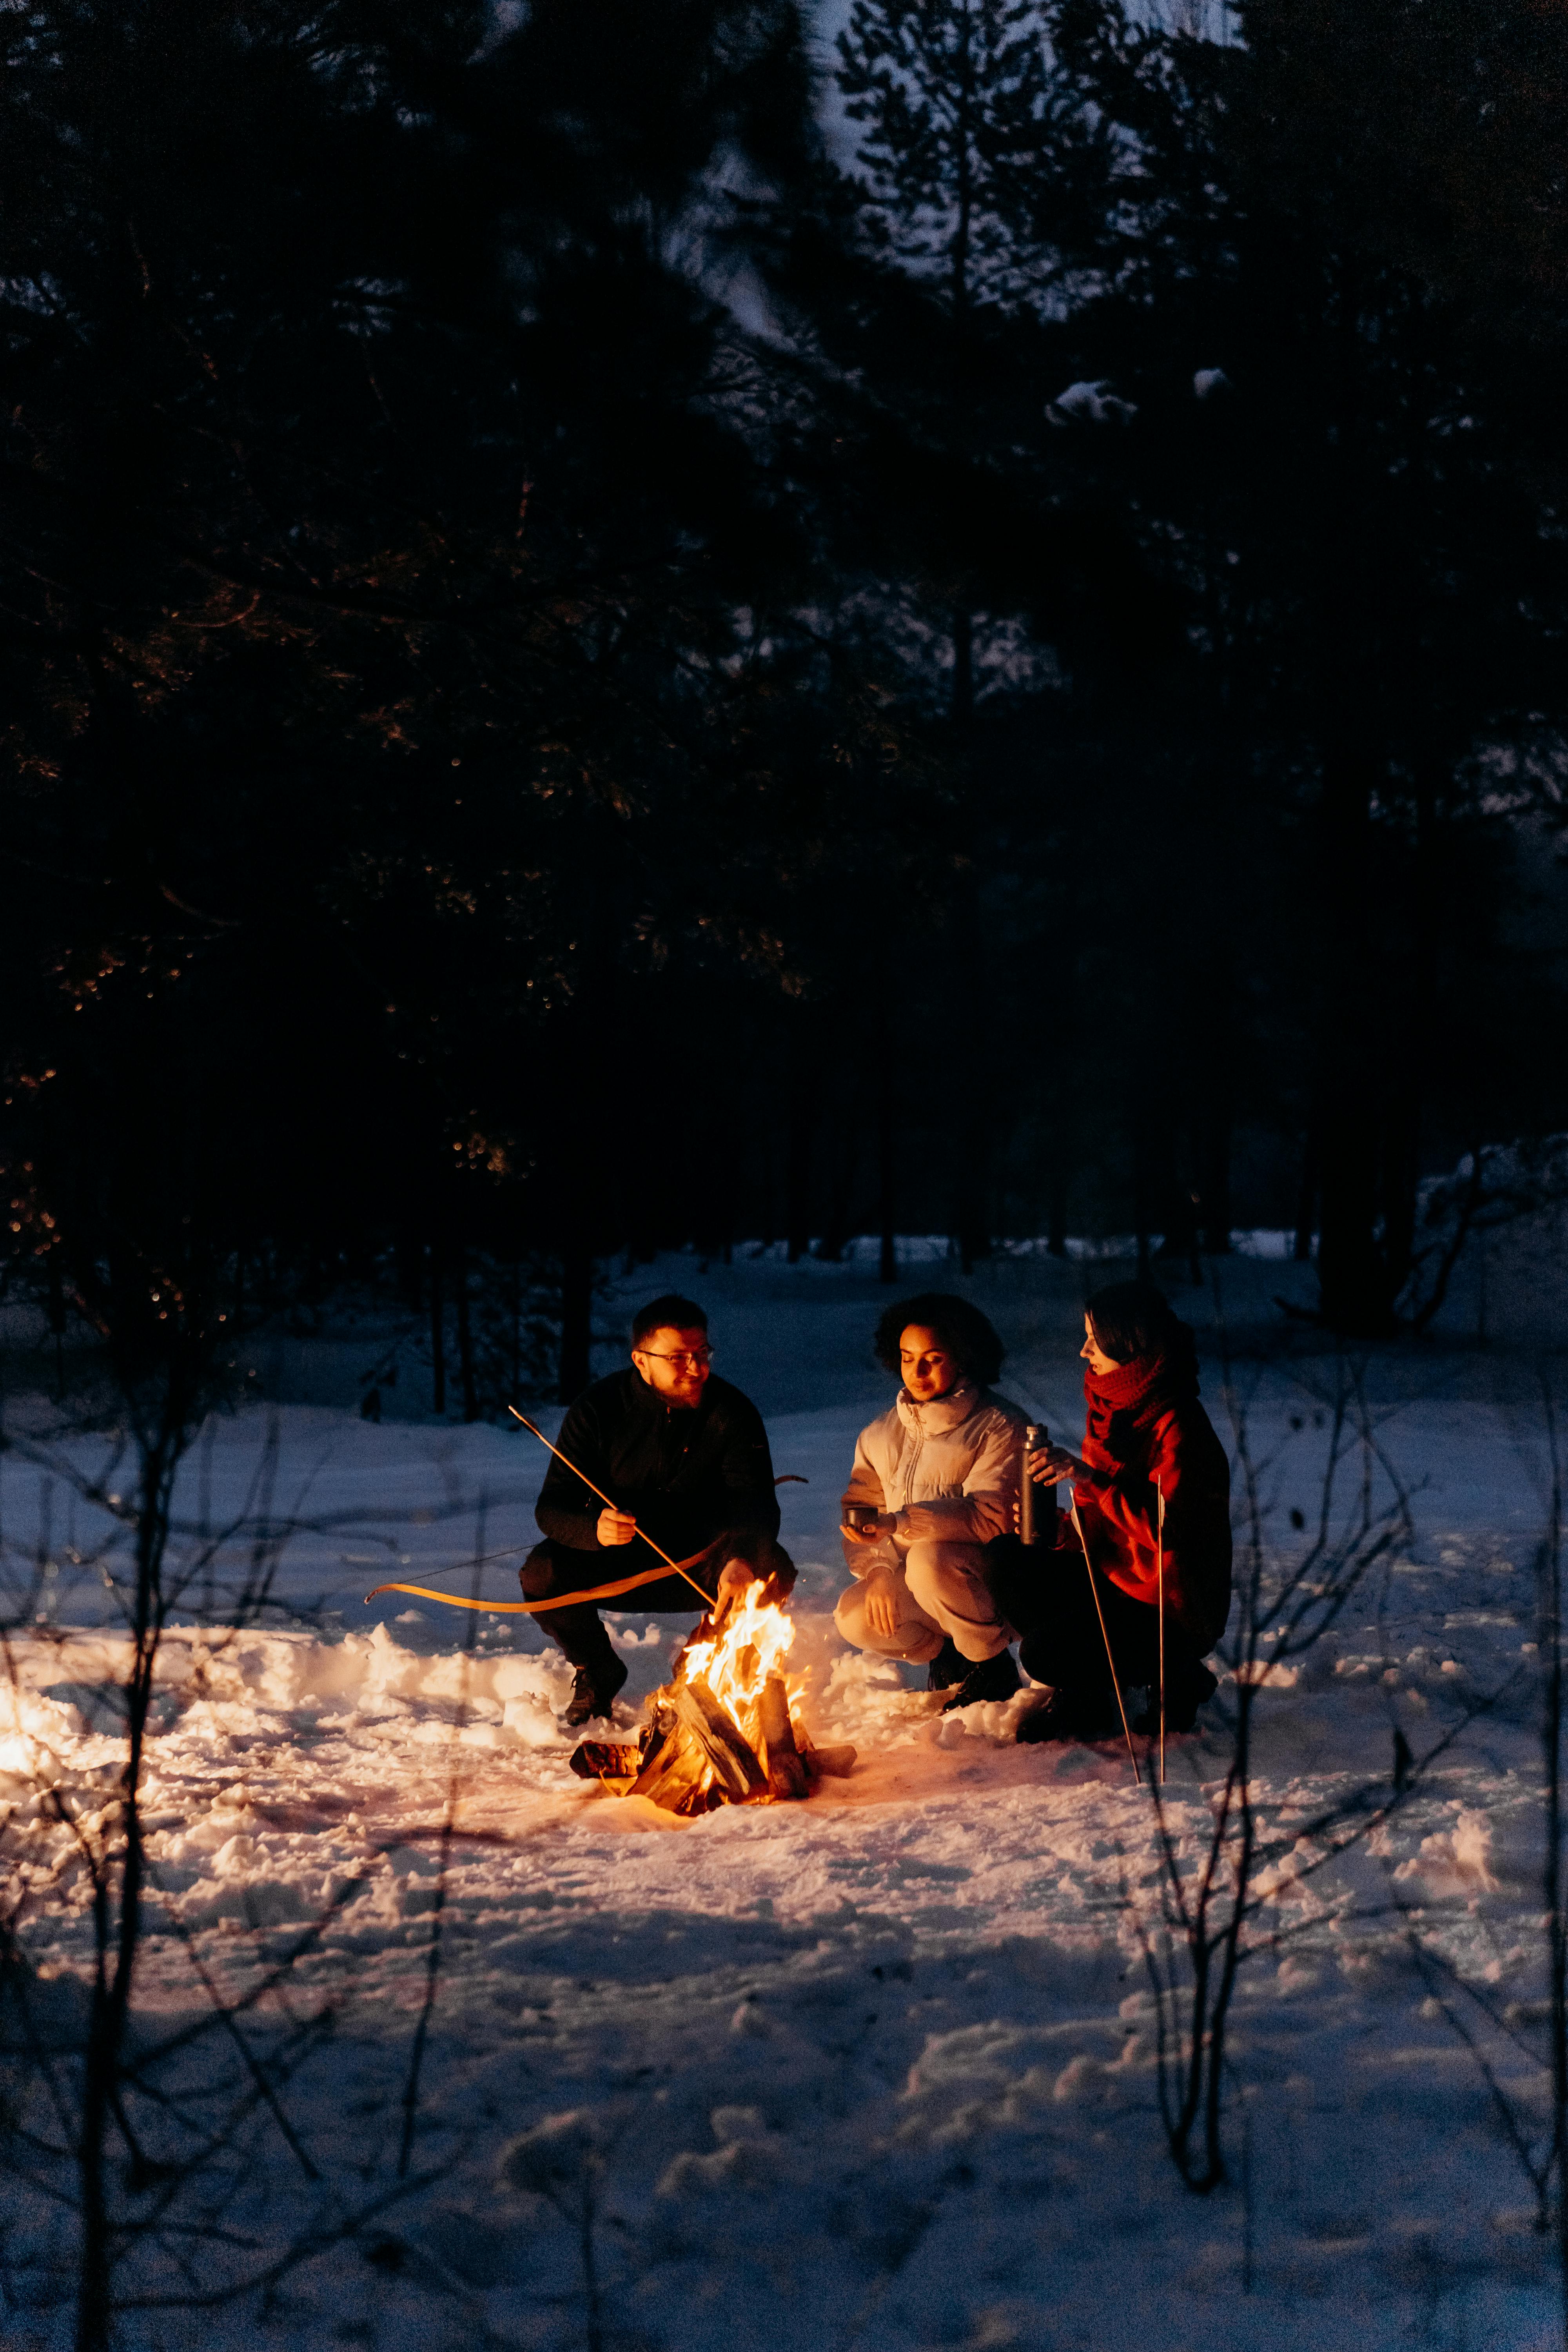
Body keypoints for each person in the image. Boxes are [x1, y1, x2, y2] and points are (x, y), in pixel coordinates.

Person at [520, 1294, 794, 1726]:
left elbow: (755, 1504)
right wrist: (593, 1529)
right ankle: (597, 1670)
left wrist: (739, 1559)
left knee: (770, 1570)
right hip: (619, 1556)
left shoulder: (731, 1411)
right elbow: (552, 1508)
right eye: (678, 1358)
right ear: (641, 1361)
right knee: (542, 1573)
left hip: (704, 1560)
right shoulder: (597, 1409)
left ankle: (697, 1669)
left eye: (701, 1353)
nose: (695, 1368)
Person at [1012, 1280, 1231, 1744]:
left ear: (1126, 1343)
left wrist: (1091, 1479)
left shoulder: (1179, 1426)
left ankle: (1176, 1675)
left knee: (1043, 1654)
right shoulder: (1111, 1409)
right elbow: (1099, 1517)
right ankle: (1086, 1697)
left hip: (1167, 1608)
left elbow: (1170, 1531)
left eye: (1094, 1338)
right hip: (1114, 1581)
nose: (1083, 1350)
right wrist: (1061, 1533)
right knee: (1011, 1562)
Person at [833, 1294, 1027, 1711]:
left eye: (933, 1359)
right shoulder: (880, 1434)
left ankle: (991, 1664)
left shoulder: (999, 1425)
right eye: (906, 1358)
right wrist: (880, 1568)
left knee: (928, 1561)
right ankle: (949, 1656)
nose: (916, 1372)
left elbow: (990, 1518)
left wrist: (901, 1523)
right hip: (920, 1582)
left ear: (962, 1357)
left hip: (992, 1583)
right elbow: (861, 1505)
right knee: (853, 1613)